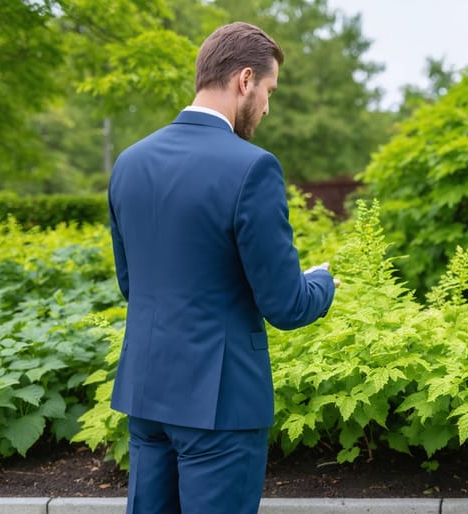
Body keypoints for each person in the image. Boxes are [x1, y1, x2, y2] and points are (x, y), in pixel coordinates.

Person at [107, 21, 337, 514]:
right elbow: (286, 304)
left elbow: (132, 284)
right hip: (220, 404)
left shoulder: (128, 162)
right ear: (245, 80)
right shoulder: (253, 167)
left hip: (146, 395)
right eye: (269, 91)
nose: (268, 107)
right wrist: (323, 282)